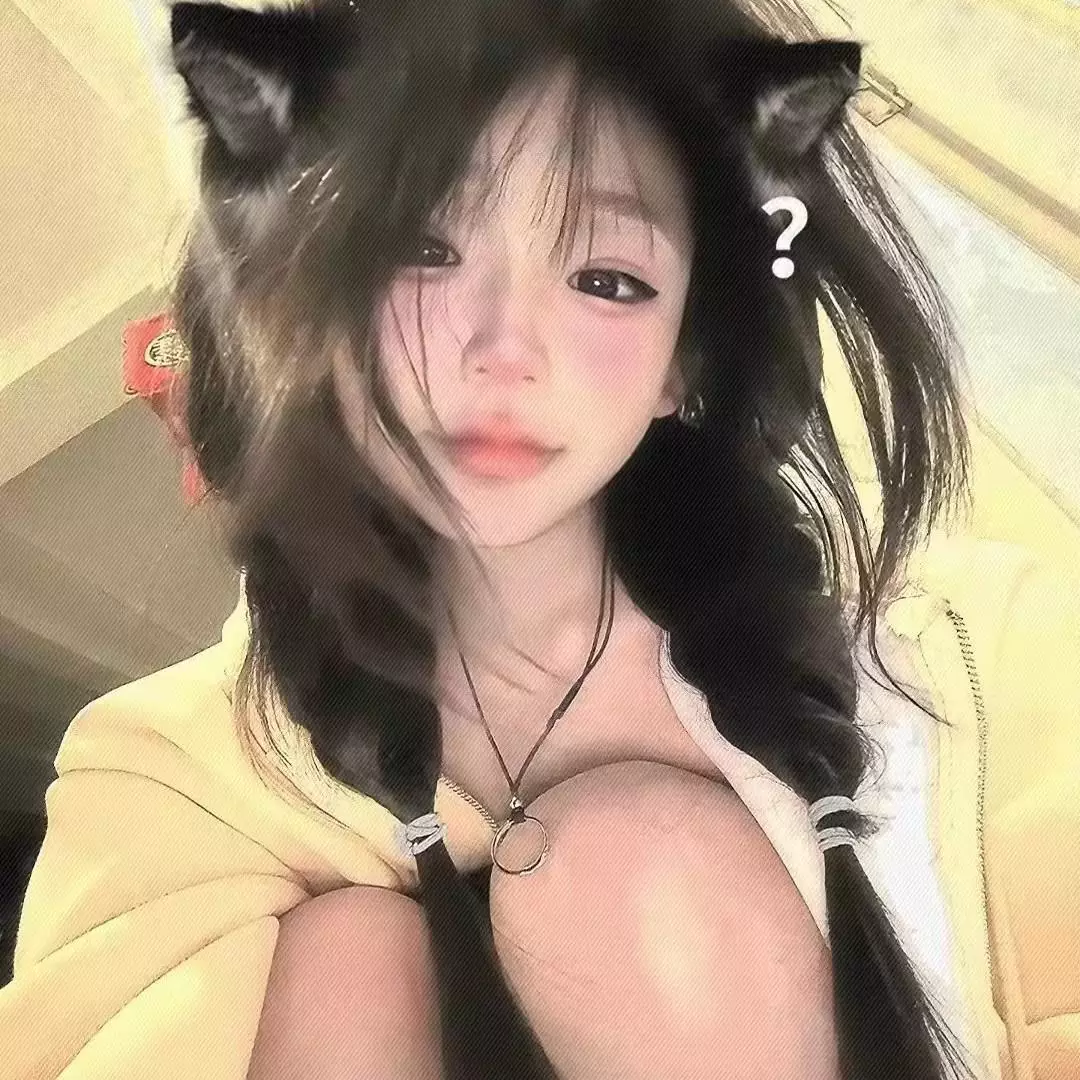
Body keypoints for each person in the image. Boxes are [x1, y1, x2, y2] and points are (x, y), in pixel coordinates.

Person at [0, 0, 1013, 1076]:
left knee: (623, 874)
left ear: (685, 362)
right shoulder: (164, 776)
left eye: (608, 280)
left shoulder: (966, 655)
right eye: (421, 248)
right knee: (349, 958)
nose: (505, 348)